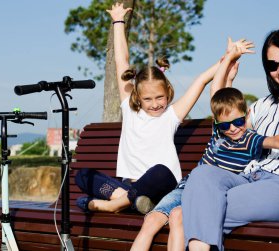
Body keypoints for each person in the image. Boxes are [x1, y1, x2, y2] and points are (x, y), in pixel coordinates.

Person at [130, 37, 279, 251]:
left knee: (187, 213)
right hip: (228, 182)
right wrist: (229, 60)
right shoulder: (252, 113)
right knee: (193, 188)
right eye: (273, 65)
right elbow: (220, 98)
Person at [73, 3, 251, 215]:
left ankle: (115, 204)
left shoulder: (171, 115)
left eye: (160, 97)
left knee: (162, 172)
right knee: (83, 175)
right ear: (137, 97)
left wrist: (228, 57)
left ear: (168, 91)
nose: (155, 103)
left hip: (160, 186)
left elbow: (202, 80)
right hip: (129, 185)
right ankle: (132, 201)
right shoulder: (129, 109)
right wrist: (118, 22)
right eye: (148, 99)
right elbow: (122, 61)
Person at [182, 29, 279, 251]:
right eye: (272, 66)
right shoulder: (263, 105)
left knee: (197, 209)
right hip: (248, 177)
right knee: (201, 175)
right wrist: (228, 72)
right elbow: (225, 115)